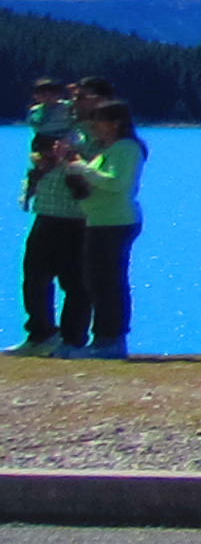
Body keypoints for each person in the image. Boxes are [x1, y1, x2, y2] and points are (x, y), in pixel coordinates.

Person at [61, 94, 141, 360]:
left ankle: (111, 340)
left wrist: (82, 168)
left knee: (109, 282)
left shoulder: (127, 148)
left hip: (115, 222)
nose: (94, 125)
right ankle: (102, 339)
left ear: (115, 123)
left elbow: (116, 183)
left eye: (99, 120)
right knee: (95, 282)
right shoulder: (107, 149)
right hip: (99, 221)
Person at [21, 126, 87, 356]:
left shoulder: (80, 149)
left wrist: (67, 159)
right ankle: (41, 334)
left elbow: (84, 188)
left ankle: (73, 340)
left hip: (74, 221)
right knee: (34, 280)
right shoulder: (42, 160)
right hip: (44, 217)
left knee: (74, 284)